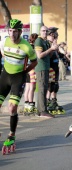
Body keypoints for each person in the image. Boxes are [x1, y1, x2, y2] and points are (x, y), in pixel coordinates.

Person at [0, 19, 37, 153]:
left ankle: (11, 134)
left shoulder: (27, 46)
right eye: (10, 30)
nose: (12, 34)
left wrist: (25, 72)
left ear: (20, 32)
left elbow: (34, 62)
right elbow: (2, 53)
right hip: (5, 75)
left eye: (15, 31)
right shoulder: (4, 42)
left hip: (18, 77)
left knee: (12, 107)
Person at [34, 26, 58, 118]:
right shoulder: (39, 41)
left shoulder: (45, 42)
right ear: (40, 32)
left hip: (46, 67)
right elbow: (39, 55)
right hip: (41, 67)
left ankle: (42, 110)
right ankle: (42, 110)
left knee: (44, 88)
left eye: (46, 31)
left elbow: (50, 55)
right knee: (42, 89)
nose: (45, 32)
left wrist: (53, 46)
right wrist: (51, 49)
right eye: (43, 31)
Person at [46, 27, 65, 115]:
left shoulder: (54, 44)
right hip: (50, 67)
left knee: (55, 85)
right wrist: (53, 48)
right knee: (50, 86)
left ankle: (54, 101)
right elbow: (48, 55)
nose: (56, 36)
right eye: (55, 34)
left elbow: (60, 55)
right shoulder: (47, 44)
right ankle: (48, 101)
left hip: (55, 66)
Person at [24, 33, 38, 115]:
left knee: (28, 87)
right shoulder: (33, 48)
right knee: (32, 87)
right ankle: (31, 103)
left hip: (26, 68)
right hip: (32, 68)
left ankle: (27, 104)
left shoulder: (26, 46)